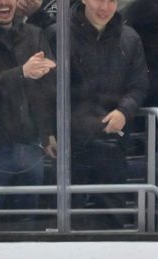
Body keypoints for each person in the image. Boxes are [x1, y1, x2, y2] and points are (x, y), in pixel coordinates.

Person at [46, 0, 148, 226]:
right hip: (69, 143)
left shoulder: (130, 39)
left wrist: (124, 111)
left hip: (111, 140)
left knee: (112, 214)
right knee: (65, 215)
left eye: (111, 1)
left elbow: (139, 85)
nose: (105, 7)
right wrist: (49, 132)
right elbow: (46, 89)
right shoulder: (57, 34)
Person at [0, 0, 56, 227]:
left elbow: (47, 89)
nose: (2, 3)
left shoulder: (34, 34)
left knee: (26, 224)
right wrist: (21, 72)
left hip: (30, 145)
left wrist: (47, 132)